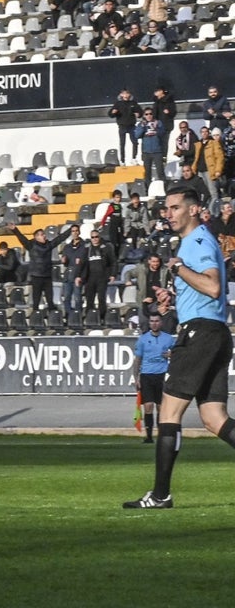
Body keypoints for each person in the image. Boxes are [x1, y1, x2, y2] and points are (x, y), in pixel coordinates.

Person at [124, 185, 232, 509]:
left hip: (199, 334)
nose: (167, 214)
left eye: (174, 208)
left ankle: (160, 495)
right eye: (166, 209)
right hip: (213, 333)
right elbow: (206, 289)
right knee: (215, 419)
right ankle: (160, 494)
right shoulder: (198, 241)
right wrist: (176, 296)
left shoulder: (196, 240)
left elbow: (213, 286)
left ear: (194, 209)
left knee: (169, 413)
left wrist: (178, 269)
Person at [8, 224, 74, 311]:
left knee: (50, 300)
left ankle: (52, 317)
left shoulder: (49, 245)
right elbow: (22, 239)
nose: (44, 236)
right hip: (36, 276)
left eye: (44, 234)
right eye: (42, 234)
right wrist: (15, 229)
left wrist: (70, 230)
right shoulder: (31, 245)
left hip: (47, 276)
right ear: (36, 237)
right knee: (36, 301)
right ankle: (35, 317)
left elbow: (60, 238)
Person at [132, 314, 176, 444]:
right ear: (149, 323)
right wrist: (136, 378)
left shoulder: (168, 338)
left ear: (161, 323)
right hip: (146, 375)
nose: (154, 323)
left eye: (157, 321)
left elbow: (180, 353)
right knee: (148, 406)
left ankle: (161, 435)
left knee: (161, 407)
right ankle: (149, 436)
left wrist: (171, 354)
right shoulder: (143, 339)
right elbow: (137, 360)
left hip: (162, 375)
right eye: (152, 321)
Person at [79, 230, 117, 319]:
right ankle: (90, 318)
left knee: (101, 299)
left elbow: (113, 262)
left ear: (99, 237)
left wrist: (113, 274)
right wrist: (79, 276)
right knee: (89, 299)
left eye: (96, 237)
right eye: (93, 237)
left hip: (102, 277)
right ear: (90, 238)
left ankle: (102, 318)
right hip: (90, 278)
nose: (95, 239)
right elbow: (82, 264)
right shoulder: (87, 249)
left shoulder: (106, 248)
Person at [191, 126, 225, 207]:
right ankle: (207, 209)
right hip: (200, 170)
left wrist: (218, 170)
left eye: (206, 131)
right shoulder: (198, 144)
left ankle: (215, 209)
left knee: (213, 191)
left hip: (210, 170)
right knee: (204, 192)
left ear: (208, 133)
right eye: (202, 132)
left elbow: (220, 157)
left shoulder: (213, 143)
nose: (204, 133)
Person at [108, 89, 142, 166]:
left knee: (135, 142)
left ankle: (134, 158)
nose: (126, 95)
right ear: (121, 95)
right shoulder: (118, 104)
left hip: (131, 125)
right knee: (122, 144)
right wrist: (113, 112)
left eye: (127, 93)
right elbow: (110, 114)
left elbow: (140, 112)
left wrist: (138, 114)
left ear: (129, 95)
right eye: (124, 94)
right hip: (122, 126)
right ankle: (122, 160)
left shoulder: (133, 103)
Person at [59, 224, 88, 314]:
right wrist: (64, 261)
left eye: (76, 231)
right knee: (67, 297)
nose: (75, 233)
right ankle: (69, 316)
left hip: (78, 274)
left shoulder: (85, 245)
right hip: (68, 275)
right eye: (73, 231)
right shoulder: (67, 247)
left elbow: (86, 261)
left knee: (77, 297)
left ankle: (78, 316)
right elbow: (66, 262)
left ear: (79, 232)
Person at [132, 108, 165, 183]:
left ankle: (164, 189)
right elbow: (137, 135)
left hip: (157, 152)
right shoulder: (141, 124)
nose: (149, 116)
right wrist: (143, 127)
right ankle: (148, 190)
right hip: (146, 152)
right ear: (144, 115)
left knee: (160, 172)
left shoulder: (158, 122)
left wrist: (156, 129)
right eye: (146, 114)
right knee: (147, 173)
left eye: (150, 113)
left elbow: (163, 133)